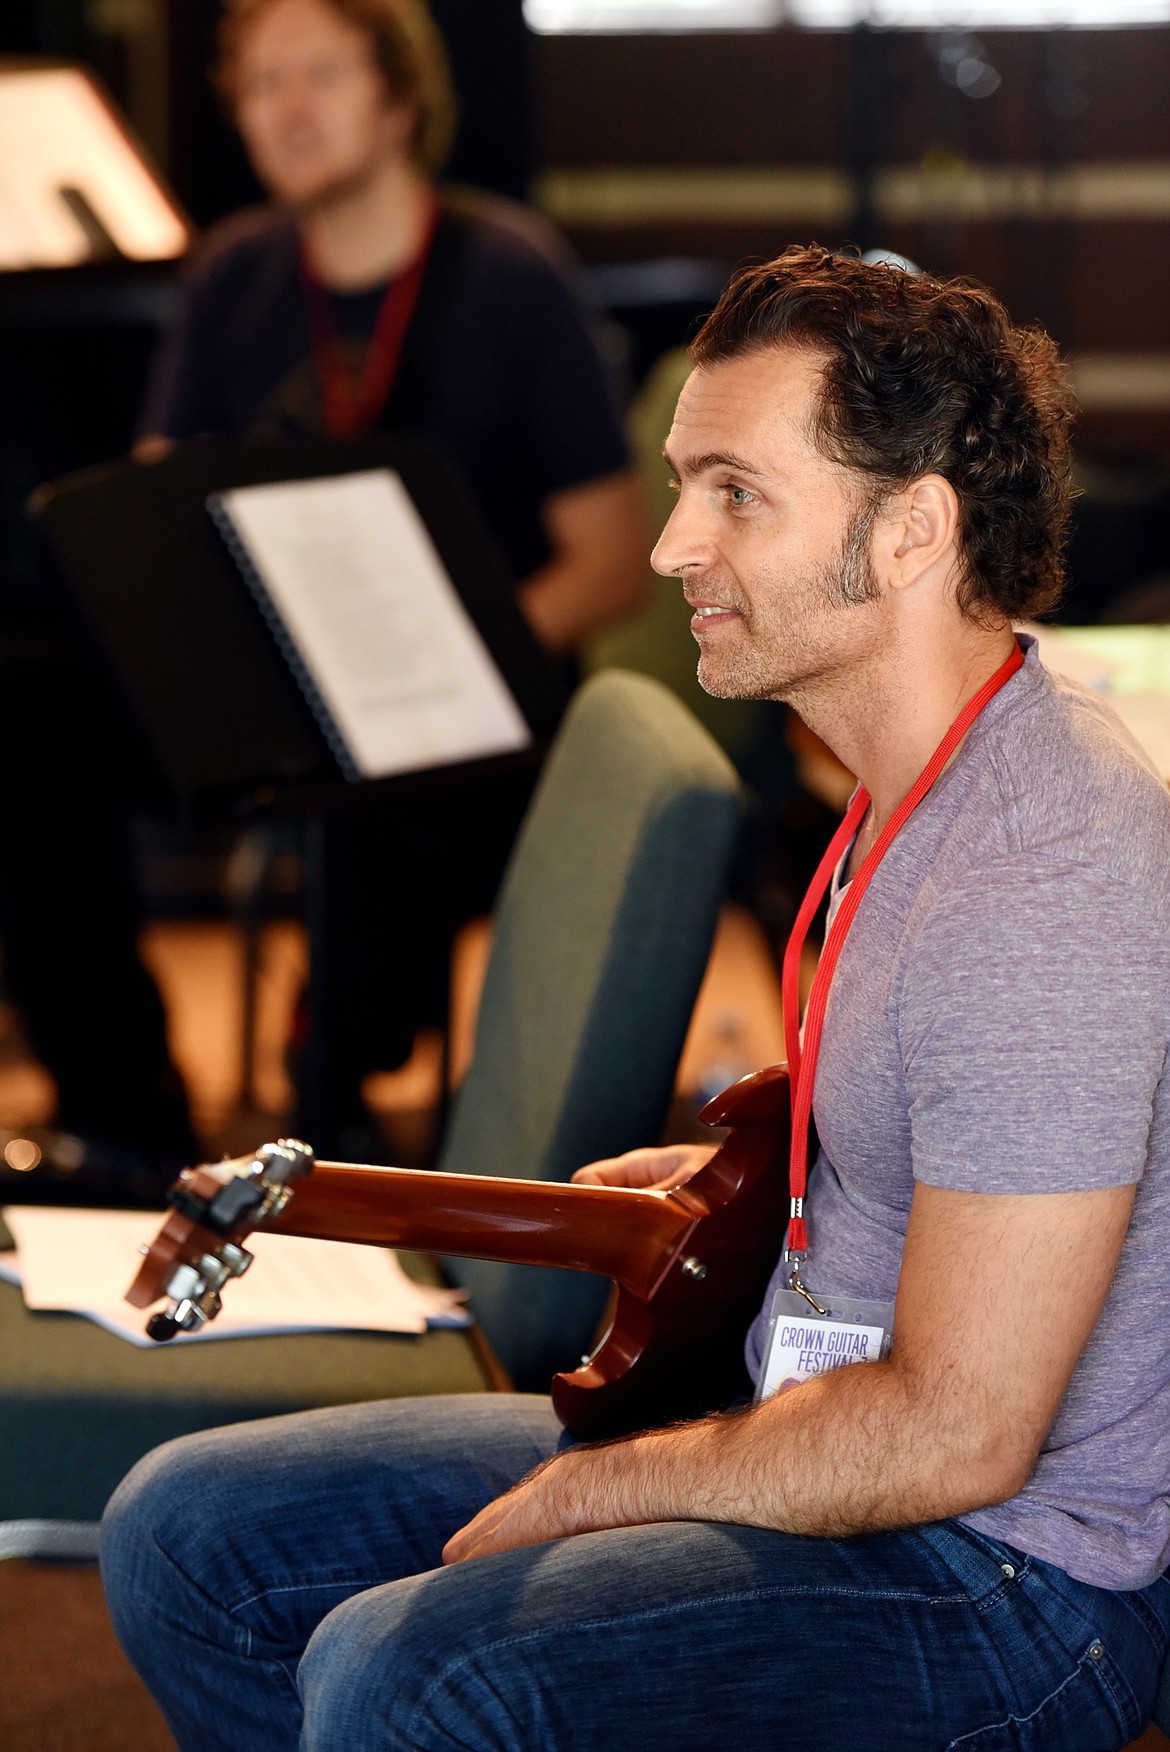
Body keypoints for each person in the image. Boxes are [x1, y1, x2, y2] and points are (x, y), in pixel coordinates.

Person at [101, 247, 1170, 1750]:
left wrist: (596, 1488)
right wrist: (783, 1173)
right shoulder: (890, 779)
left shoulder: (1037, 868)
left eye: (737, 492)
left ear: (914, 527)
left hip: (1012, 1572)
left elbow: (960, 1428)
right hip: (823, 1419)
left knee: (415, 1671)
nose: (670, 546)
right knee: (188, 1535)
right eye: (682, 483)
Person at [137, 0, 649, 1137]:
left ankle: (341, 1105)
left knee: (377, 811)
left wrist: (444, 674)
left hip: (472, 709)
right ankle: (126, 1117)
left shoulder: (509, 274)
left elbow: (612, 560)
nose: (287, 107)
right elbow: (156, 513)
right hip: (277, 697)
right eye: (263, 83)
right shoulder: (232, 278)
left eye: (319, 74)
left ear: (401, 97)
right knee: (40, 737)